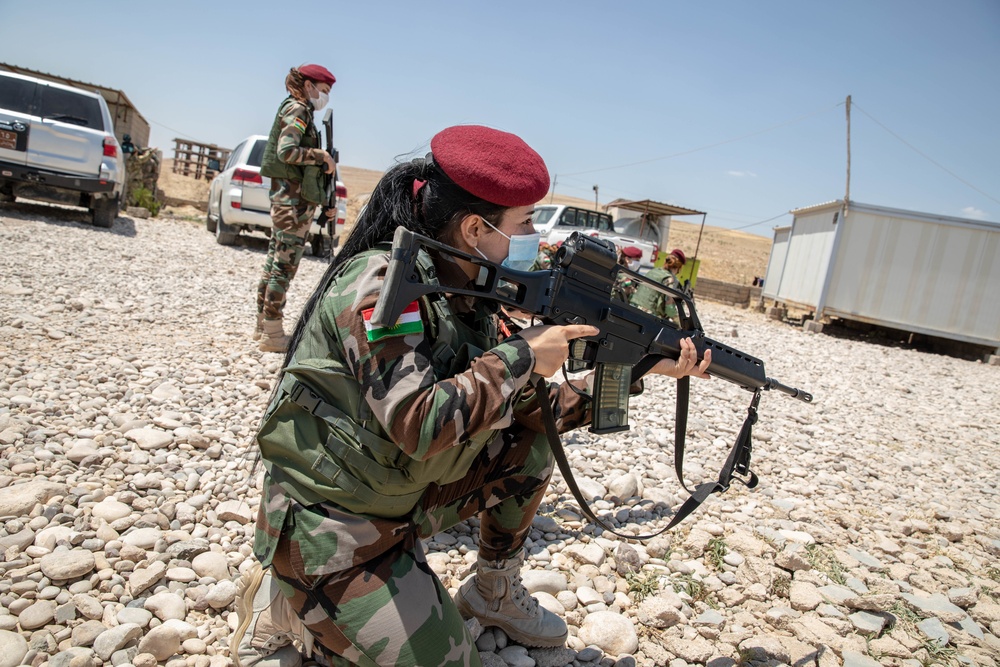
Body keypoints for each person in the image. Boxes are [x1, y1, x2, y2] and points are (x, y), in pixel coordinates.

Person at [231, 125, 712, 667]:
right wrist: (524, 356)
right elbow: (418, 422)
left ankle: (493, 590)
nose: (533, 236)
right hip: (333, 521)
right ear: (475, 227)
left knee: (528, 446)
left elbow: (535, 412)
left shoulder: (470, 285)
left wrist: (640, 367)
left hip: (399, 494)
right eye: (525, 222)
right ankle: (281, 601)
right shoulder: (381, 287)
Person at [255, 63, 338, 353]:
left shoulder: (296, 108)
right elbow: (286, 150)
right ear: (308, 85)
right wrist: (321, 155)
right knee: (283, 267)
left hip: (289, 201)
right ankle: (273, 334)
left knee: (273, 263)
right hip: (293, 204)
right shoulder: (298, 110)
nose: (324, 96)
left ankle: (263, 327)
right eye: (323, 90)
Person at [629, 247, 687, 324]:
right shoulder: (670, 280)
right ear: (679, 268)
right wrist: (680, 323)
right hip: (648, 318)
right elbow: (669, 309)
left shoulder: (652, 271)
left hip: (632, 310)